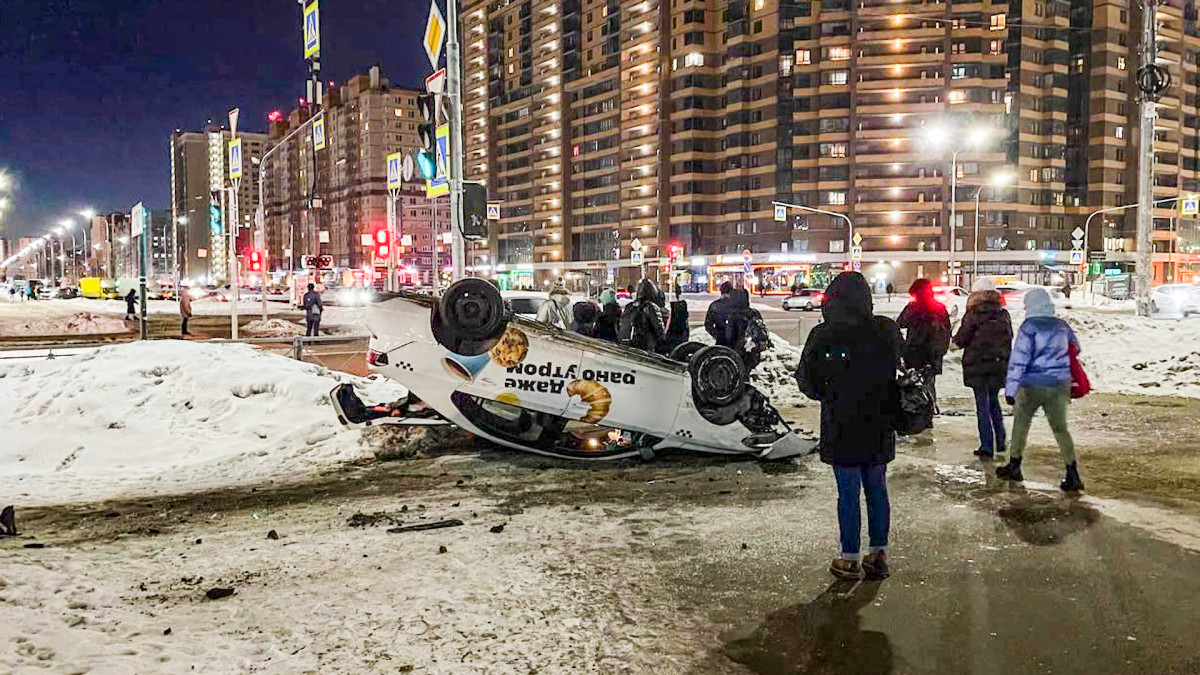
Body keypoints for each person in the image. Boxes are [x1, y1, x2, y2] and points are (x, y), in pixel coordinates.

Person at [796, 272, 901, 581]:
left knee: (848, 492)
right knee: (877, 489)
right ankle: (879, 554)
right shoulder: (885, 329)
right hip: (880, 422)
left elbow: (807, 381)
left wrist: (831, 393)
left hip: (841, 423)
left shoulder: (824, 334)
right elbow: (900, 362)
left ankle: (849, 558)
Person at [996, 288, 1084, 492]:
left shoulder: (1029, 326)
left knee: (1021, 424)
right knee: (1061, 429)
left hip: (1031, 385)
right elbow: (1076, 348)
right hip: (1059, 386)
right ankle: (1072, 473)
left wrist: (1011, 389)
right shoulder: (1061, 326)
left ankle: (1015, 465)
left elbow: (1019, 360)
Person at [953, 278, 1012, 458]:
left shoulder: (973, 315)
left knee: (982, 405)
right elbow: (1009, 338)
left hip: (978, 365)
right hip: (998, 364)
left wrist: (953, 343)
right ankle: (1000, 441)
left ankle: (986, 445)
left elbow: (961, 339)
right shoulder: (1003, 315)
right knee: (993, 401)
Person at [897, 278, 951, 406]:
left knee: (915, 382)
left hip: (915, 351)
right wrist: (942, 350)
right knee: (930, 382)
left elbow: (900, 322)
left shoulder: (913, 307)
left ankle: (918, 409)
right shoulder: (939, 308)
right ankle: (930, 408)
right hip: (934, 352)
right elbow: (947, 331)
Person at [724, 288, 771, 371]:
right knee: (747, 370)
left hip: (738, 352)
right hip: (754, 350)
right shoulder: (754, 313)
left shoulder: (733, 315)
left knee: (740, 375)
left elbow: (729, 336)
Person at [619, 278, 665, 352]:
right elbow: (659, 330)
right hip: (645, 347)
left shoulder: (629, 306)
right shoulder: (650, 306)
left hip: (627, 345)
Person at [704, 281, 737, 346]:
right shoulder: (736, 305)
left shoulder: (714, 305)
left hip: (720, 341)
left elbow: (708, 324)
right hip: (735, 342)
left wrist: (717, 335)